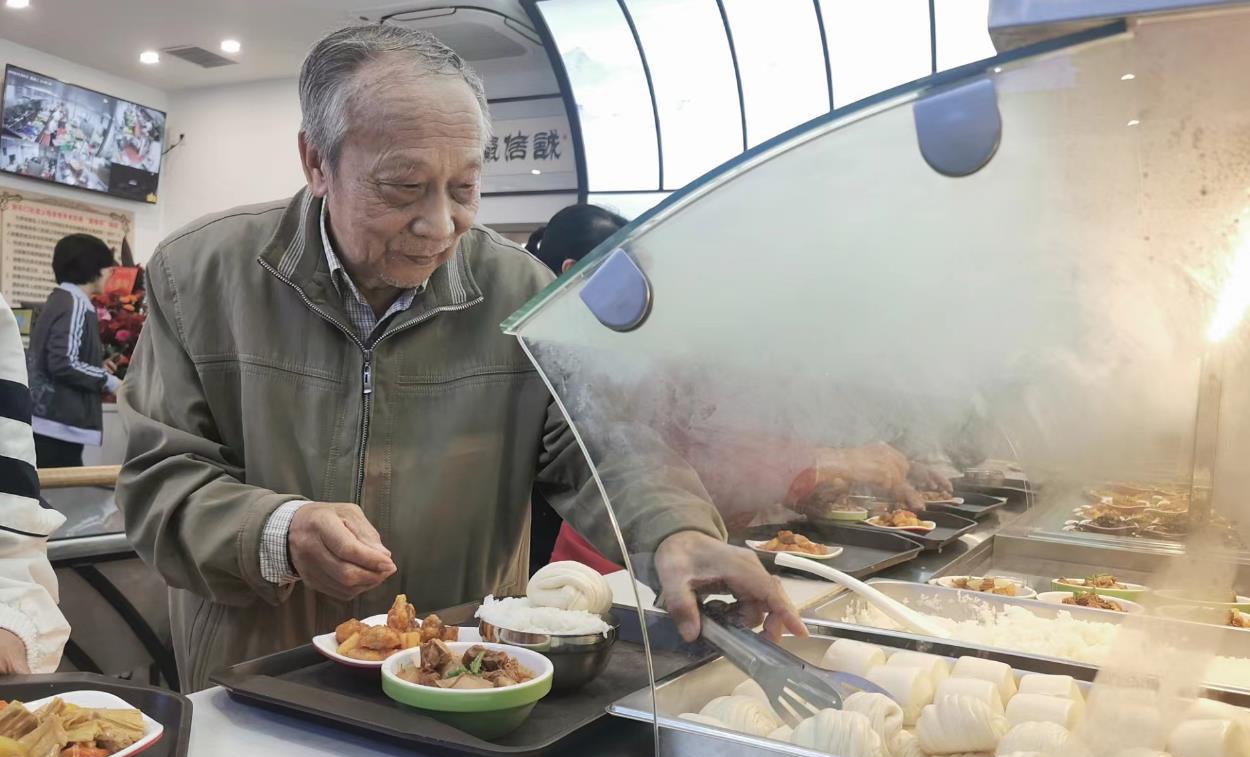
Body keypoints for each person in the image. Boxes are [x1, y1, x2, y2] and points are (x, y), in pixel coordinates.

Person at [116, 26, 811, 692]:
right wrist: (279, 531)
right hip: (259, 679)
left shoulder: (520, 295)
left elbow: (604, 445)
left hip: (461, 680)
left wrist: (676, 530)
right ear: (316, 162)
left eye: (465, 188)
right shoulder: (200, 275)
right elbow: (159, 484)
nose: (440, 224)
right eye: (403, 187)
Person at [524, 204, 628, 575]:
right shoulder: (534, 344)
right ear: (573, 272)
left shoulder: (596, 340)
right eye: (620, 273)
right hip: (533, 539)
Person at [0, 291, 73, 673]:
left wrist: (12, 619)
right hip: (65, 422)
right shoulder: (75, 306)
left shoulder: (65, 304)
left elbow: (7, 541)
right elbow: (67, 362)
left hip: (56, 424)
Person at [27, 234, 120, 469]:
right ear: (94, 269)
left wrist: (96, 367)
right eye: (109, 268)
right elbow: (63, 362)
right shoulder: (76, 303)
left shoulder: (59, 300)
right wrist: (110, 381)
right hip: (60, 421)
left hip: (47, 417)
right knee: (64, 497)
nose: (110, 275)